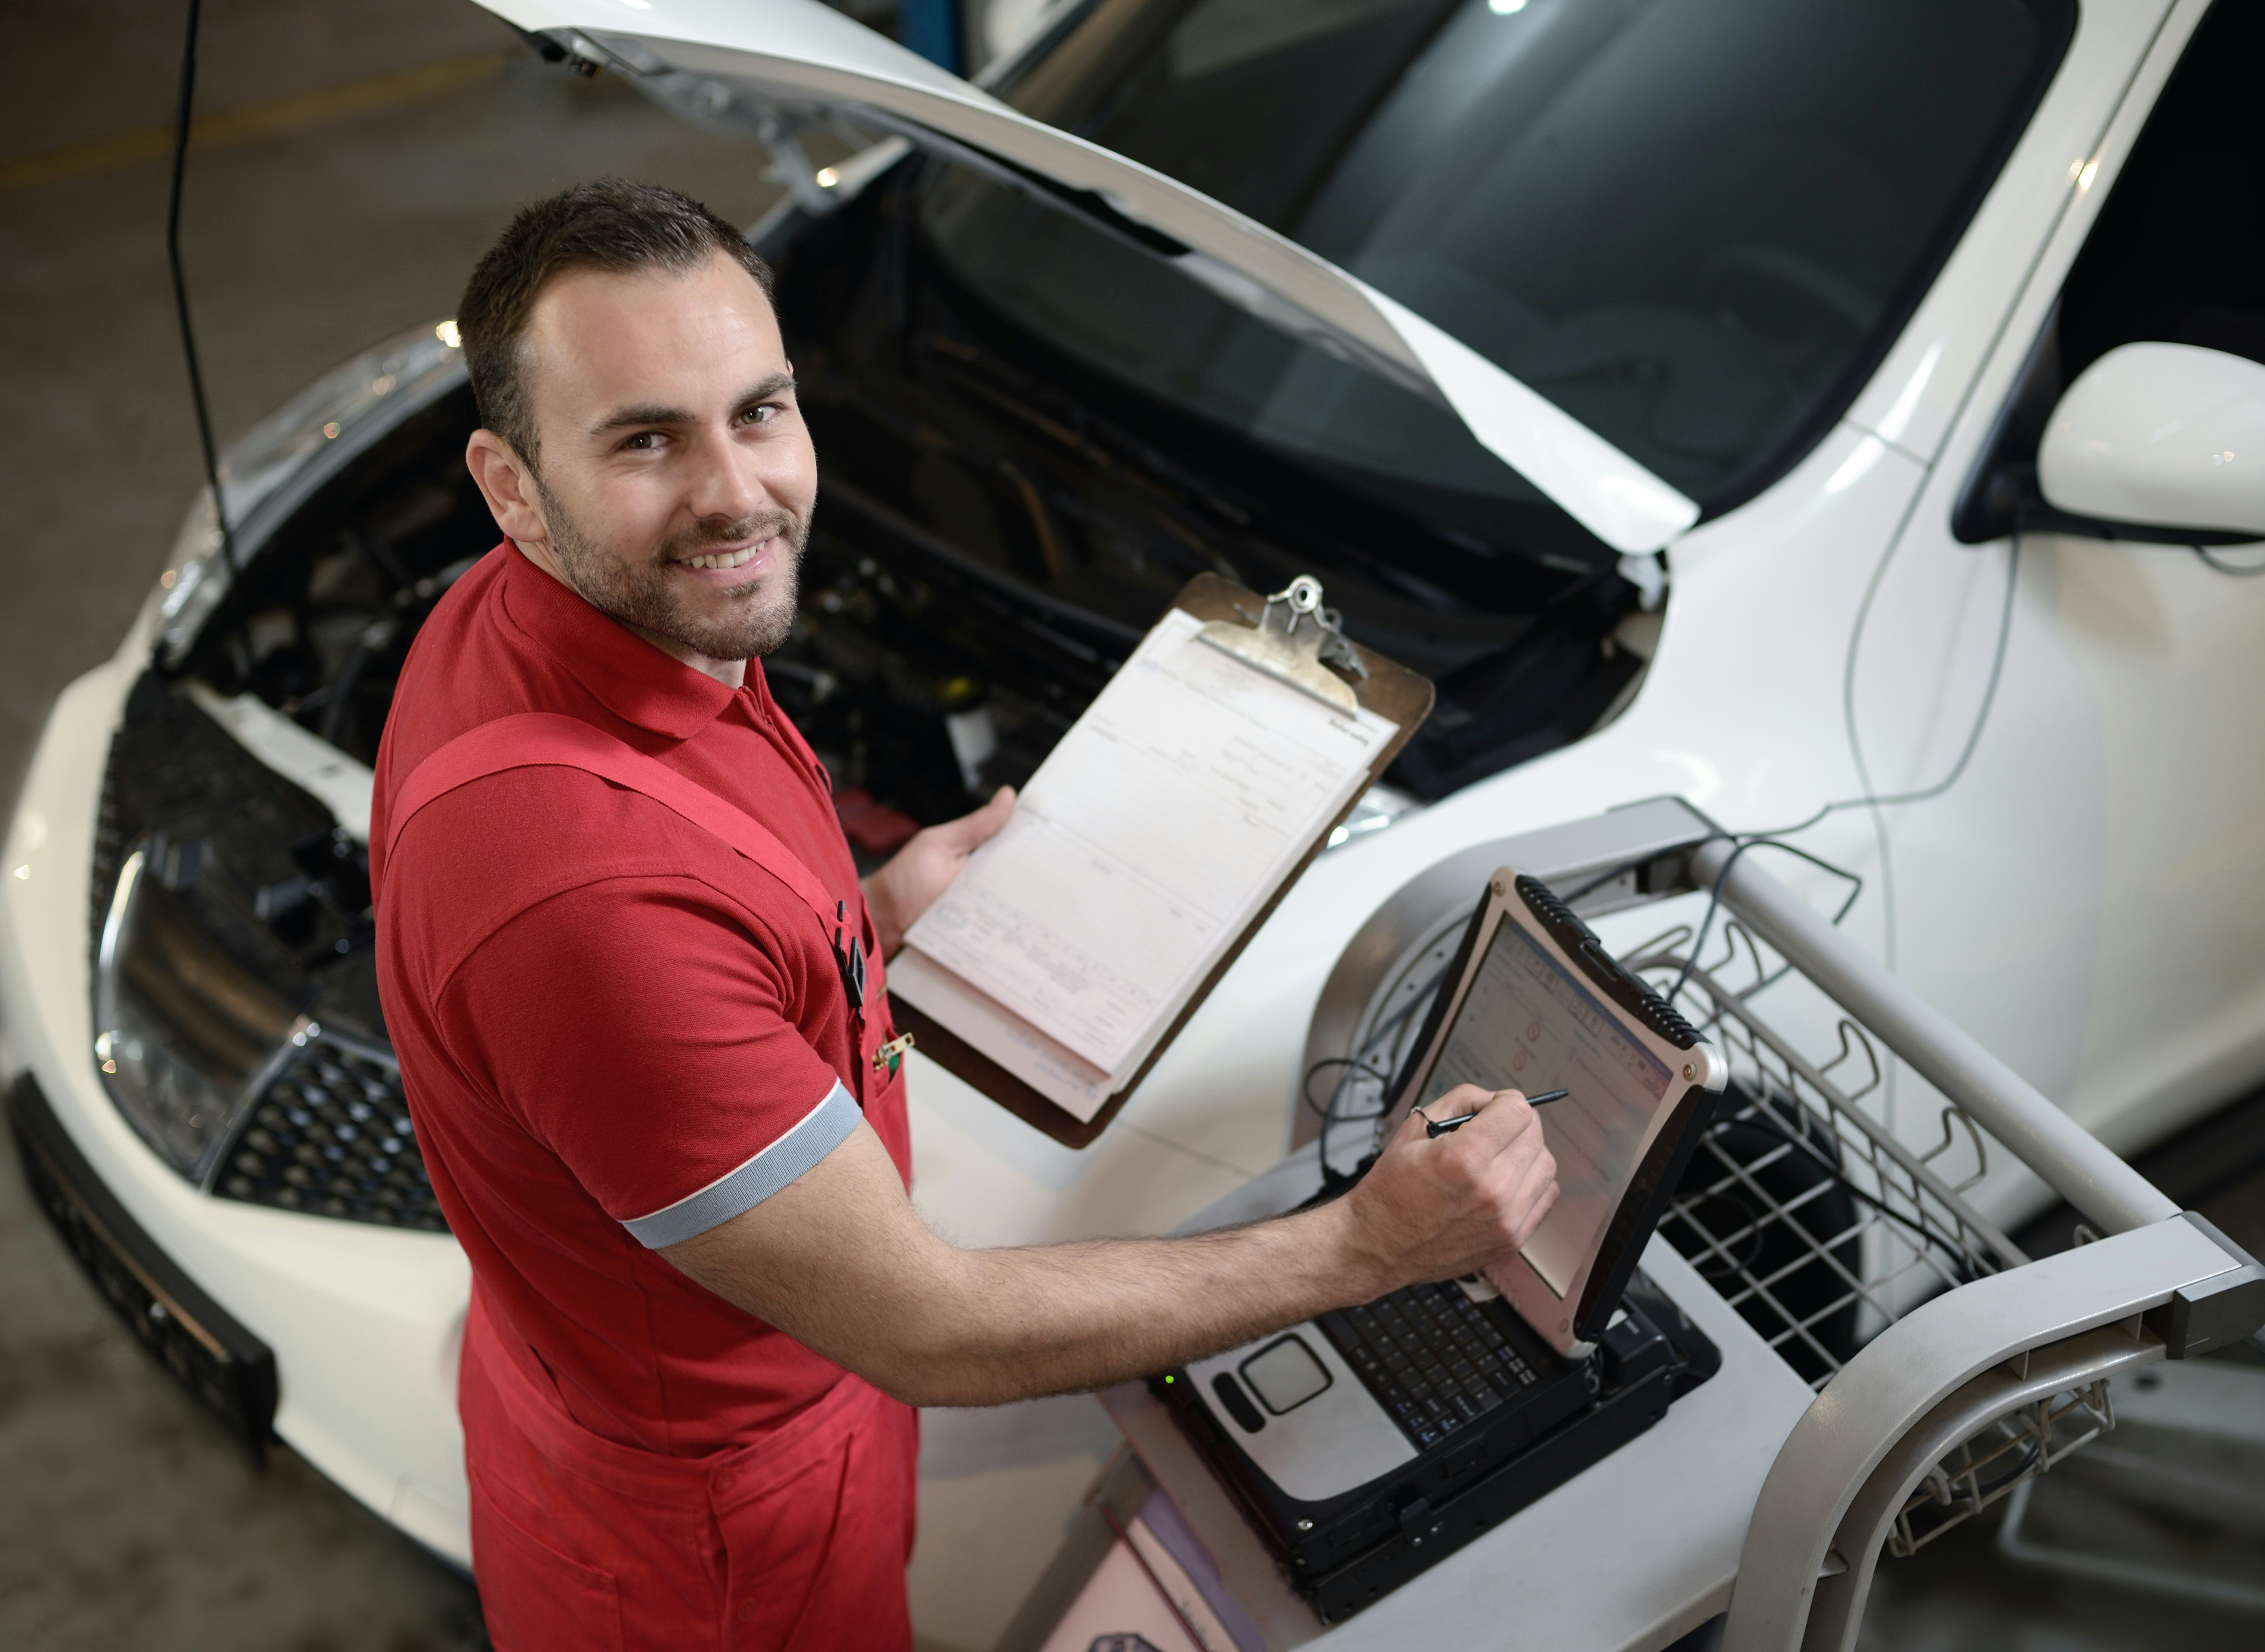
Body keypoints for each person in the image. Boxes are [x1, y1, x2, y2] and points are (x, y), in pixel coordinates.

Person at [370, 178, 1557, 1651]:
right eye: (645, 439)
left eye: (758, 410)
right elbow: (925, 1326)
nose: (738, 493)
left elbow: (687, 945)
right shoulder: (585, 897)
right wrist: (1368, 1249)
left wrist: (865, 925)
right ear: (509, 482)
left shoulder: (534, 617)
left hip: (659, 1386)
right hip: (717, 1551)